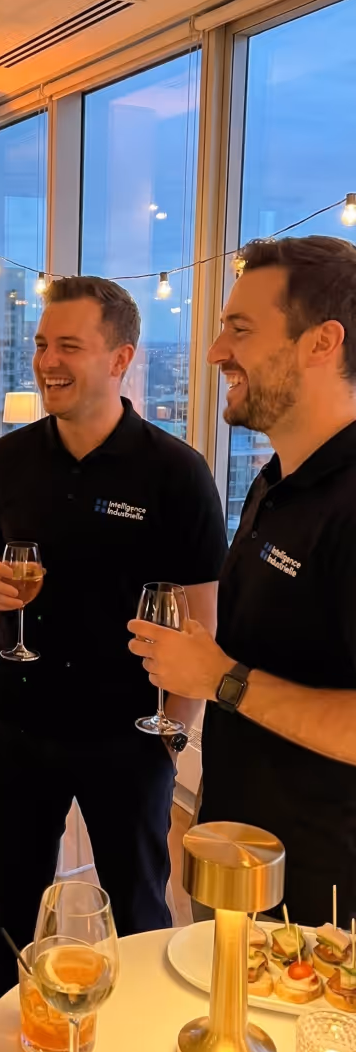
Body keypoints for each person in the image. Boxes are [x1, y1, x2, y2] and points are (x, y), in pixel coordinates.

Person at [0, 275, 228, 1005]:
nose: (47, 359)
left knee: (139, 910)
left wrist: (174, 733)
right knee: (14, 904)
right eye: (43, 343)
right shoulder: (7, 460)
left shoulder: (177, 473)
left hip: (127, 735)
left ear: (121, 359)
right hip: (17, 720)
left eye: (69, 346)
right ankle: (12, 1045)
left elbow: (203, 622)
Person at [128, 235, 356, 930]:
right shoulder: (273, 479)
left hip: (323, 903)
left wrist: (222, 678)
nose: (214, 352)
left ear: (322, 342)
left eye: (240, 329)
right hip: (240, 855)